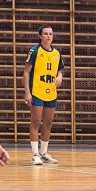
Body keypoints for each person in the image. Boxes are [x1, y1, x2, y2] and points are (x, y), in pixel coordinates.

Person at [24, 25, 64, 165]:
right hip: (37, 92)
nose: (48, 36)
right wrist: (27, 92)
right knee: (35, 122)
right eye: (46, 34)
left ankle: (44, 153)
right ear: (40, 36)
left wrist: (60, 76)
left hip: (51, 92)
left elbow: (59, 70)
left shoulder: (57, 53)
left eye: (50, 34)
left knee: (48, 123)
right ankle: (35, 154)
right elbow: (26, 72)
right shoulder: (35, 51)